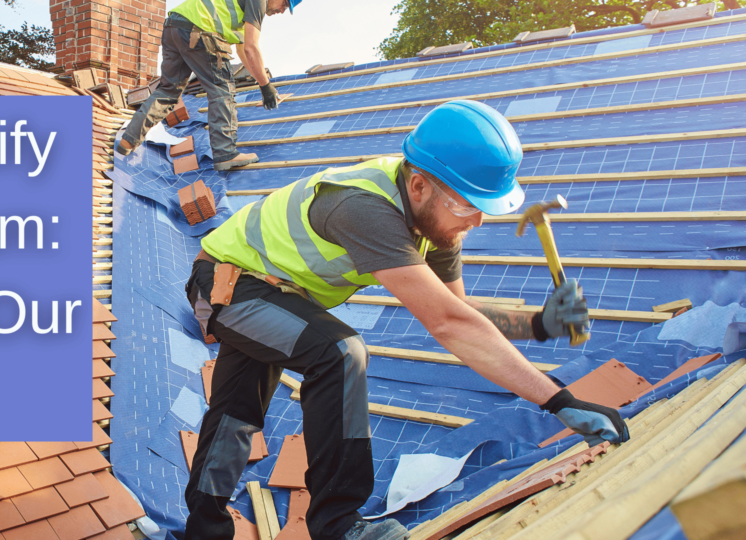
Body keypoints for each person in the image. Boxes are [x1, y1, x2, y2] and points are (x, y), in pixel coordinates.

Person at [182, 100, 630, 540]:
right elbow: (450, 326)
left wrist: (537, 323)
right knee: (340, 353)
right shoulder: (364, 210)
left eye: (483, 208)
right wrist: (558, 401)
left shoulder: (438, 222)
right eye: (465, 205)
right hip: (225, 283)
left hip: (270, 291)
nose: (474, 220)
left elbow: (460, 315)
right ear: (418, 186)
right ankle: (337, 525)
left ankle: (203, 531)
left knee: (235, 415)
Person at [116, 0, 296, 171]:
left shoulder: (241, 8)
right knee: (222, 90)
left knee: (168, 91)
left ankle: (129, 139)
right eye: (285, 4)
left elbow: (243, 51)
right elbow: (251, 47)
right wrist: (266, 86)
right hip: (200, 30)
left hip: (175, 26)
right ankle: (226, 153)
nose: (282, 10)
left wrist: (262, 83)